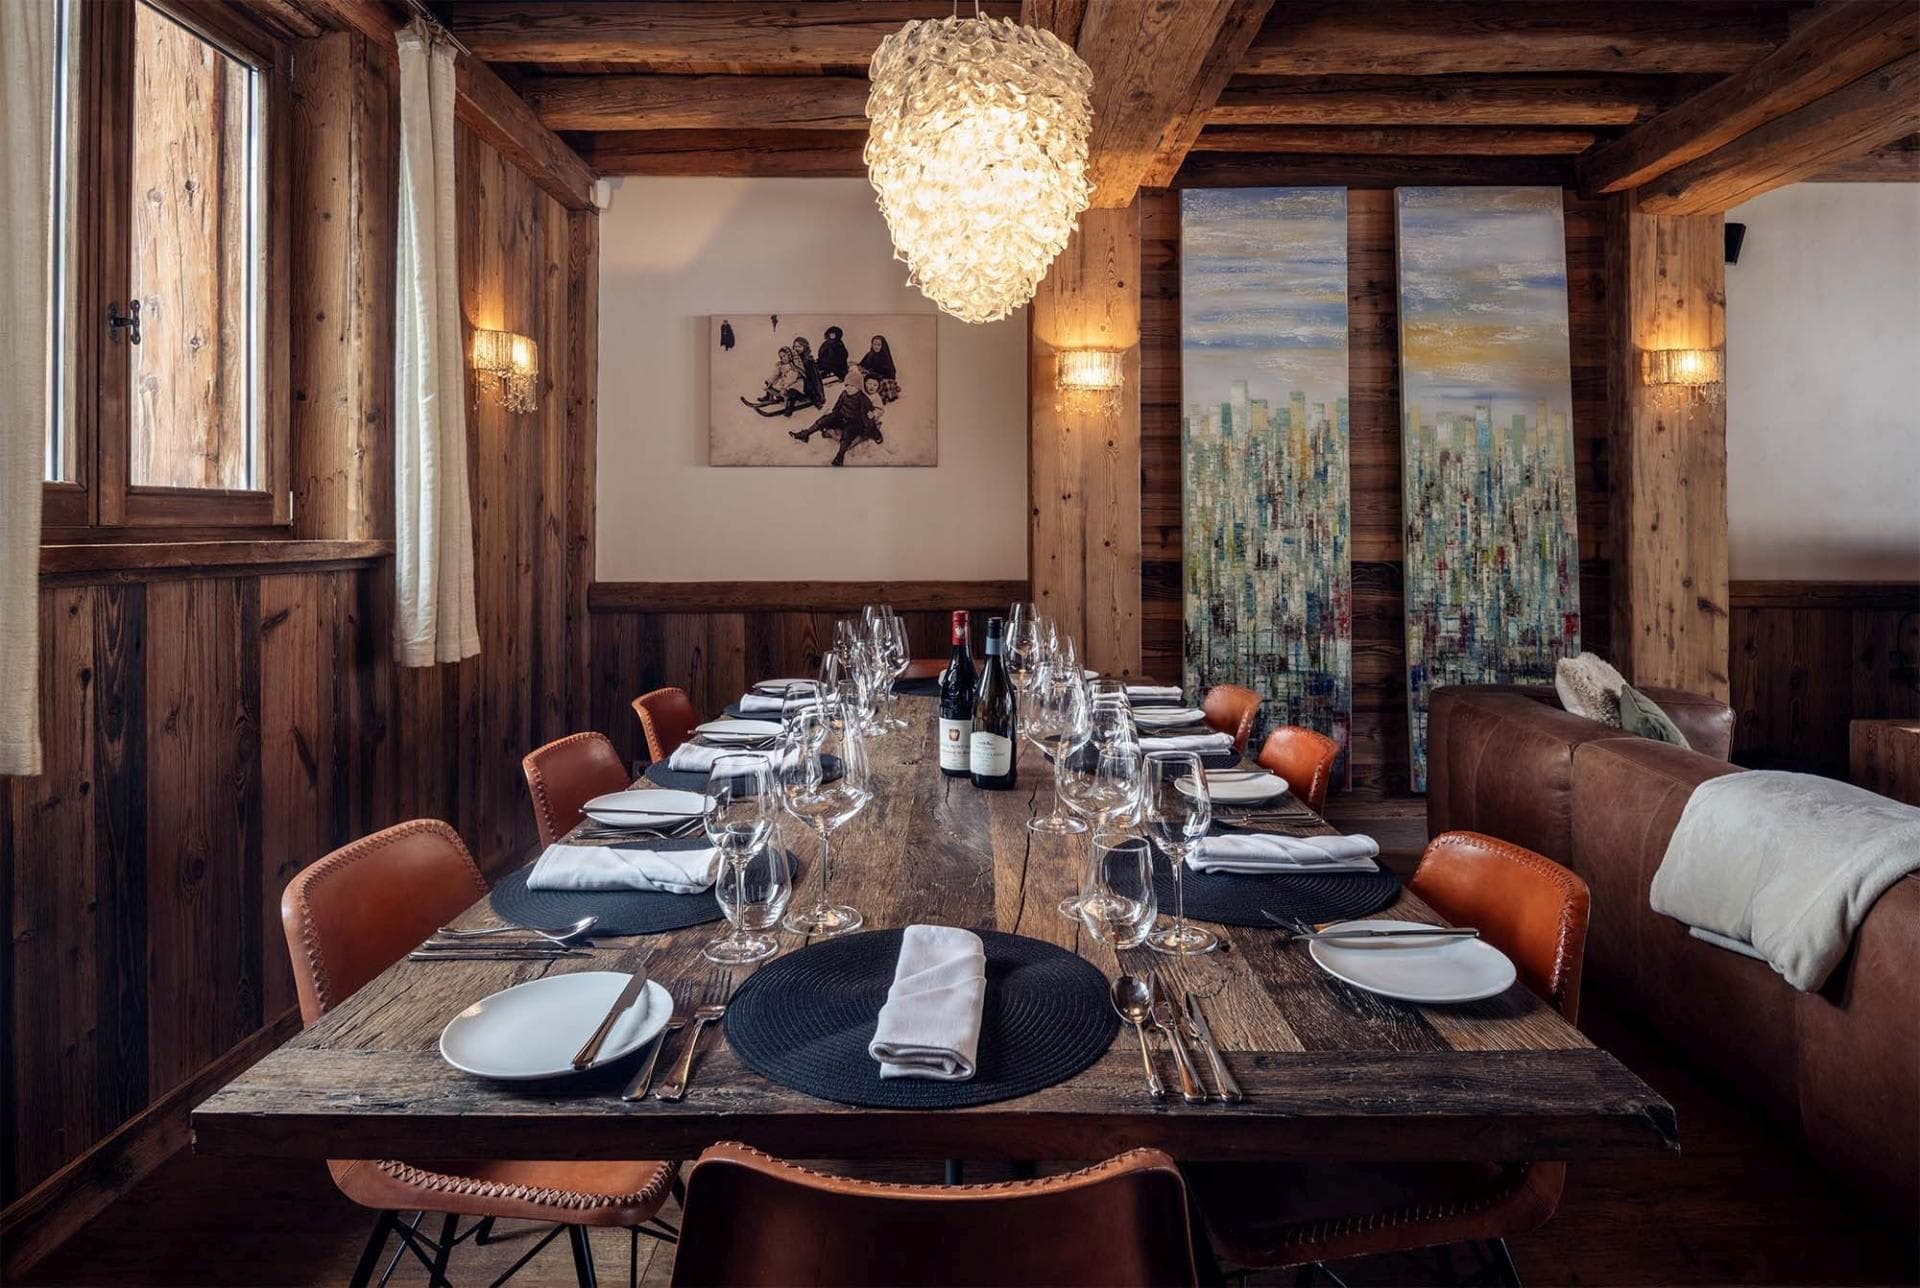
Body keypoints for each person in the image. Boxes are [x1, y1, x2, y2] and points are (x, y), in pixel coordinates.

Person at [791, 374, 886, 466]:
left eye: (852, 386)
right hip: (842, 417)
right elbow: (837, 407)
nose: (848, 388)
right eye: (847, 385)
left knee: (847, 433)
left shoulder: (863, 399)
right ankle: (806, 433)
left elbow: (865, 416)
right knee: (825, 420)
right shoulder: (844, 394)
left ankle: (840, 456)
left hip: (854, 421)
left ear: (858, 387)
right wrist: (831, 416)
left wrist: (869, 429)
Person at [857, 334, 900, 404]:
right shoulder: (869, 355)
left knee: (879, 385)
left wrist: (874, 375)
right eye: (874, 344)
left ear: (882, 346)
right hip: (871, 377)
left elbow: (890, 373)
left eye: (879, 345)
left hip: (882, 378)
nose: (876, 346)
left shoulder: (885, 357)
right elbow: (862, 365)